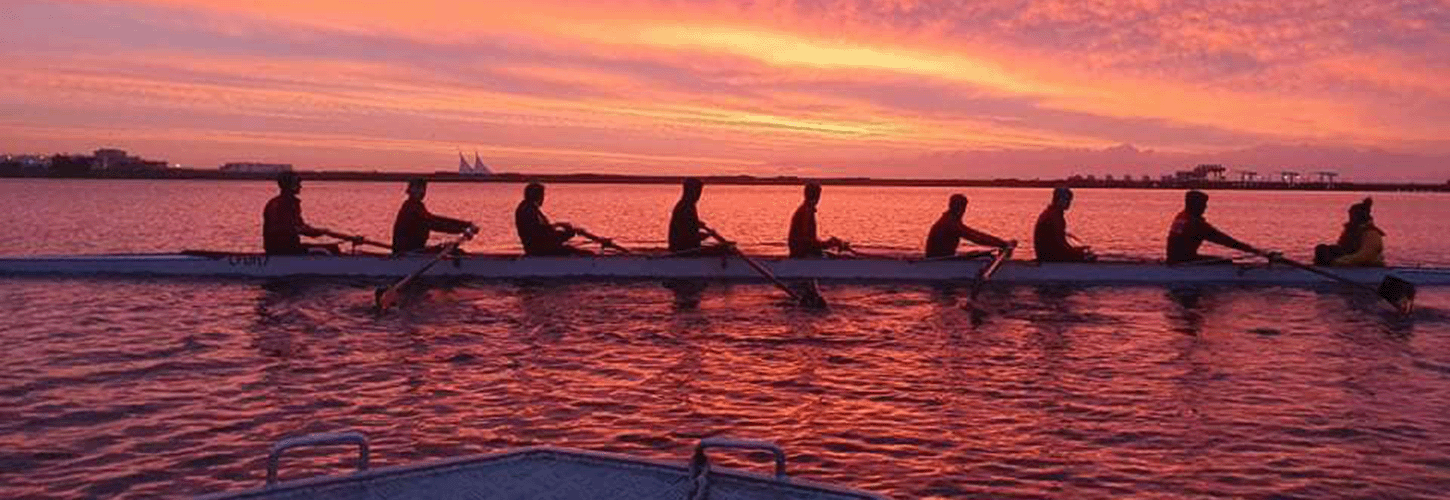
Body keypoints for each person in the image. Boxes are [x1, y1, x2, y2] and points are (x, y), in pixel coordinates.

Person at [1166, 190, 1270, 264]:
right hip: (1185, 262)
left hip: (1174, 259)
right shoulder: (1196, 224)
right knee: (1226, 263)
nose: (1206, 207)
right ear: (1195, 205)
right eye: (1203, 204)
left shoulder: (1181, 216)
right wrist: (1258, 252)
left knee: (1223, 261)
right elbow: (1227, 241)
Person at [262, 172, 344, 255]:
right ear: (289, 185)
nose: (300, 186)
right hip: (285, 250)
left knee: (333, 247)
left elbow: (300, 226)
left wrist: (323, 231)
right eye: (297, 183)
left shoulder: (276, 202)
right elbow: (297, 228)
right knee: (331, 250)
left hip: (283, 248)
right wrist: (323, 231)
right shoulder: (285, 203)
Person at [391, 179, 476, 254]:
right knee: (456, 252)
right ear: (410, 190)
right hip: (407, 252)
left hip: (415, 250)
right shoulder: (410, 208)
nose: (422, 192)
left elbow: (435, 219)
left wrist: (464, 224)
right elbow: (434, 224)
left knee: (453, 250)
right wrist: (461, 230)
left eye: (423, 189)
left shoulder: (418, 206)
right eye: (418, 189)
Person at [924, 194, 1015, 258]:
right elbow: (976, 238)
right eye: (962, 207)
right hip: (939, 262)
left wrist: (1000, 242)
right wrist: (1002, 244)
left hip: (944, 259)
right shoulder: (949, 223)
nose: (963, 211)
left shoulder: (950, 220)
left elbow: (975, 233)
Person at [515, 182, 590, 256]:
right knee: (587, 254)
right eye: (542, 195)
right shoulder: (528, 211)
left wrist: (558, 226)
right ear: (537, 196)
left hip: (540, 249)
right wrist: (568, 234)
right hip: (540, 252)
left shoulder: (528, 209)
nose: (544, 198)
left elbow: (543, 230)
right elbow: (543, 236)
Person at [1314, 198, 1385, 267]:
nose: (1351, 217)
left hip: (1368, 267)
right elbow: (1342, 247)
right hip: (1349, 264)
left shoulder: (1371, 234)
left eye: (1353, 215)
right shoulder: (1350, 231)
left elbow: (1364, 256)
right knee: (1322, 249)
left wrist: (1338, 261)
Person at [668, 178, 730, 255]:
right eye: (697, 192)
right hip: (683, 249)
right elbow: (689, 237)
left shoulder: (685, 205)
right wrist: (708, 235)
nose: (698, 195)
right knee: (725, 250)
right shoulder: (686, 208)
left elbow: (689, 228)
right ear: (690, 191)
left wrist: (696, 224)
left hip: (683, 247)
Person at [1033, 187, 1095, 262]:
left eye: (1070, 200)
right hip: (1051, 257)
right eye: (1066, 200)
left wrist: (1074, 250)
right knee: (1089, 257)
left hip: (1046, 255)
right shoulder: (1054, 216)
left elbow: (1060, 243)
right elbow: (1059, 244)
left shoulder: (1049, 213)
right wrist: (1076, 253)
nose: (1069, 203)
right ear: (1057, 200)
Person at [788, 183, 844, 258]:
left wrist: (827, 243)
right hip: (802, 255)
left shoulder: (805, 209)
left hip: (802, 252)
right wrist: (828, 244)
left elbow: (810, 240)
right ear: (817, 196)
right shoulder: (806, 212)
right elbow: (807, 241)